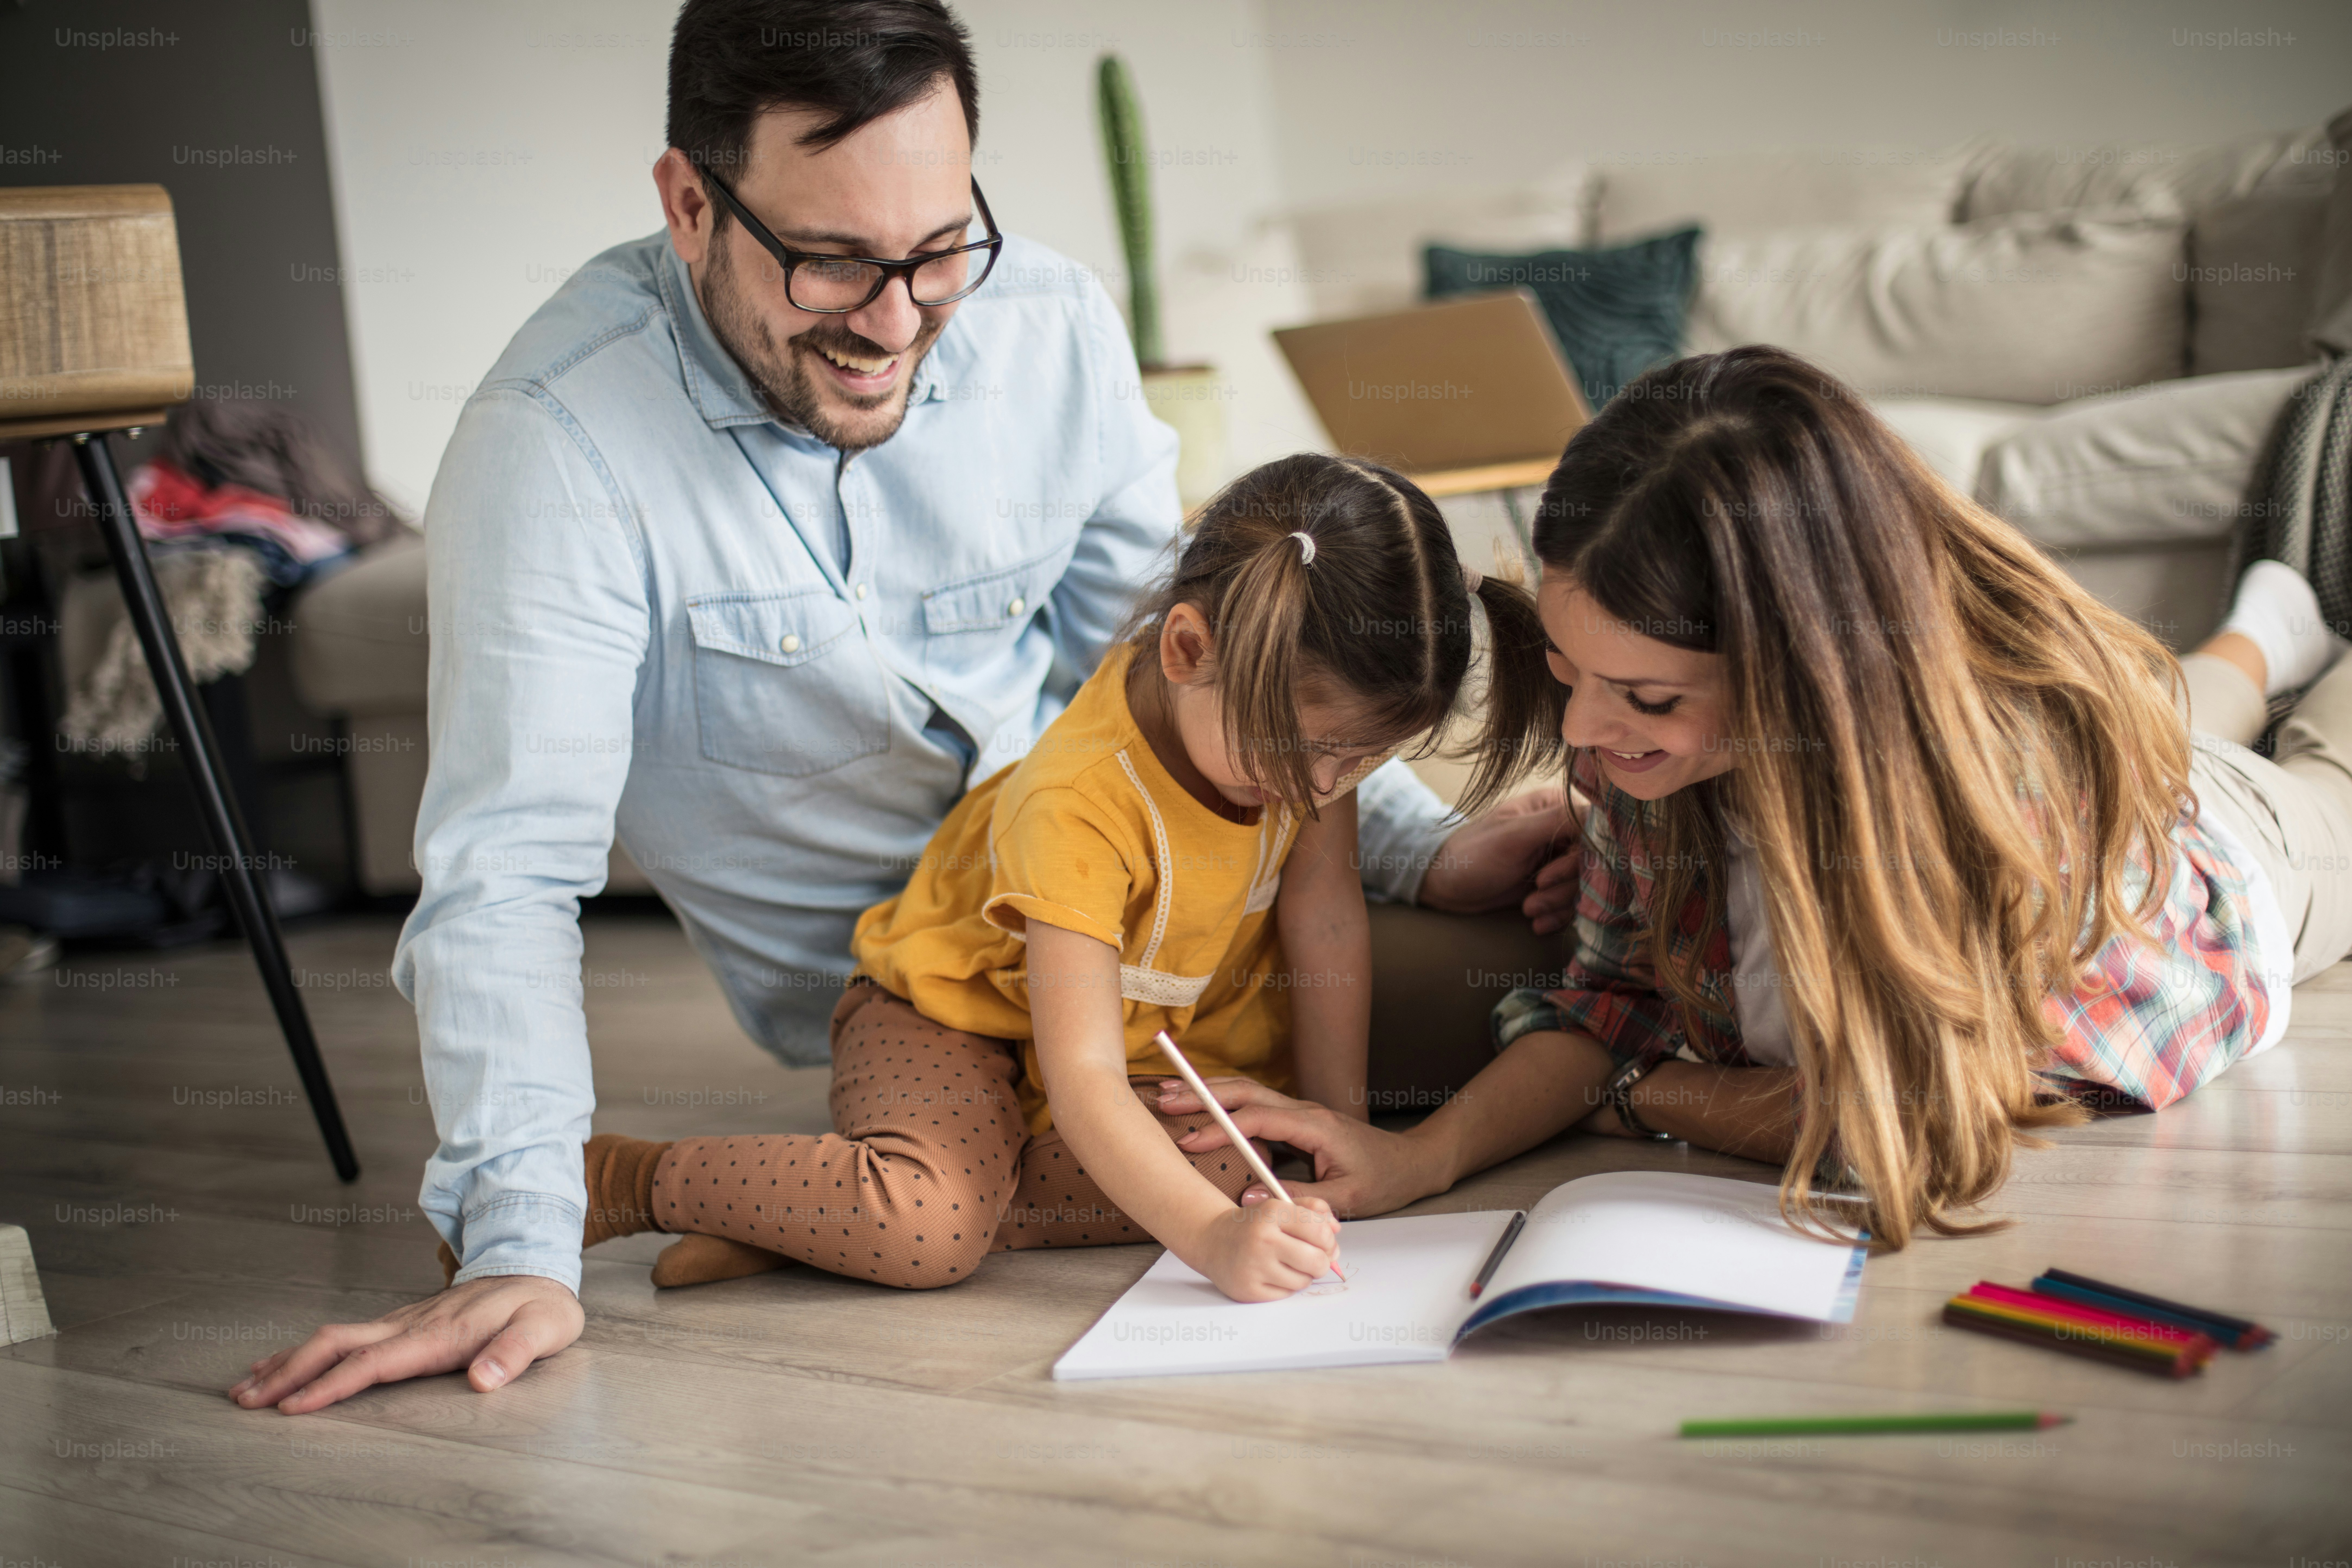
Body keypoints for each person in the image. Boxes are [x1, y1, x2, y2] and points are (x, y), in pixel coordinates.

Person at [228, 0, 1573, 1416]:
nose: (893, 321)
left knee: (1486, 1034)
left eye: (938, 250)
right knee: (994, 1196)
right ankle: (764, 1193)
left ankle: (816, 1217)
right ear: (691, 205)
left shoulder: (1044, 328)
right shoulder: (555, 450)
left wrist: (1420, 849)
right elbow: (507, 871)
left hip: (1154, 950)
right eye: (830, 263)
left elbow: (1205, 659)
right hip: (918, 994)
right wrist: (521, 1241)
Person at [1163, 344, 2347, 1252]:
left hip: (2242, 867)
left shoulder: (2003, 806)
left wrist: (1634, 1092)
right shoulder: (1641, 755)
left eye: (1644, 696)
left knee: (2306, 768)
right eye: (1571, 676)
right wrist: (1416, 1158)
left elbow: (1892, 1130)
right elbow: (1611, 1000)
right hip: (2112, 749)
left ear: (1805, 673)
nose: (1577, 735)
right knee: (2174, 701)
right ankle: (2261, 625)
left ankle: (2282, 631)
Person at [552, 454, 1560, 1300]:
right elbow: (1080, 1081)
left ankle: (818, 1214)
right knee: (937, 1231)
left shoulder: (1298, 731)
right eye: (1313, 757)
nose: (1326, 788)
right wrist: (1209, 1245)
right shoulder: (1075, 803)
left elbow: (1327, 920)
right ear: (1186, 648)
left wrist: (1338, 1124)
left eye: (1360, 764)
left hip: (1127, 1044)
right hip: (951, 1018)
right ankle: (643, 1179)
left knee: (1276, 1168)